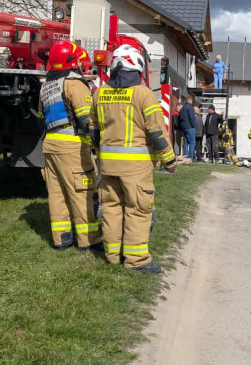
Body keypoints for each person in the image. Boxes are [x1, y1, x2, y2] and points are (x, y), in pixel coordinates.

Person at [94, 45, 177, 273]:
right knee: (138, 209)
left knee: (111, 207)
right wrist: (169, 161)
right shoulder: (143, 94)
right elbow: (157, 132)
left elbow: (93, 132)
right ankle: (137, 260)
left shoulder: (99, 93)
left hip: (107, 166)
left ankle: (112, 255)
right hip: (136, 168)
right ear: (137, 66)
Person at [40, 40, 101, 250]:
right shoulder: (74, 84)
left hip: (50, 145)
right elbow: (86, 120)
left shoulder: (47, 85)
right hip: (72, 146)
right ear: (73, 61)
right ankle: (88, 240)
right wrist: (99, 145)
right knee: (82, 192)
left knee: (57, 194)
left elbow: (42, 115)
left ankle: (61, 239)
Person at [178, 95, 197, 160]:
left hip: (184, 127)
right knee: (192, 142)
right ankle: (190, 157)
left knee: (185, 142)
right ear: (190, 101)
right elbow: (192, 117)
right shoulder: (190, 107)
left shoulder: (182, 108)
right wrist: (193, 125)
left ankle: (185, 156)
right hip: (189, 127)